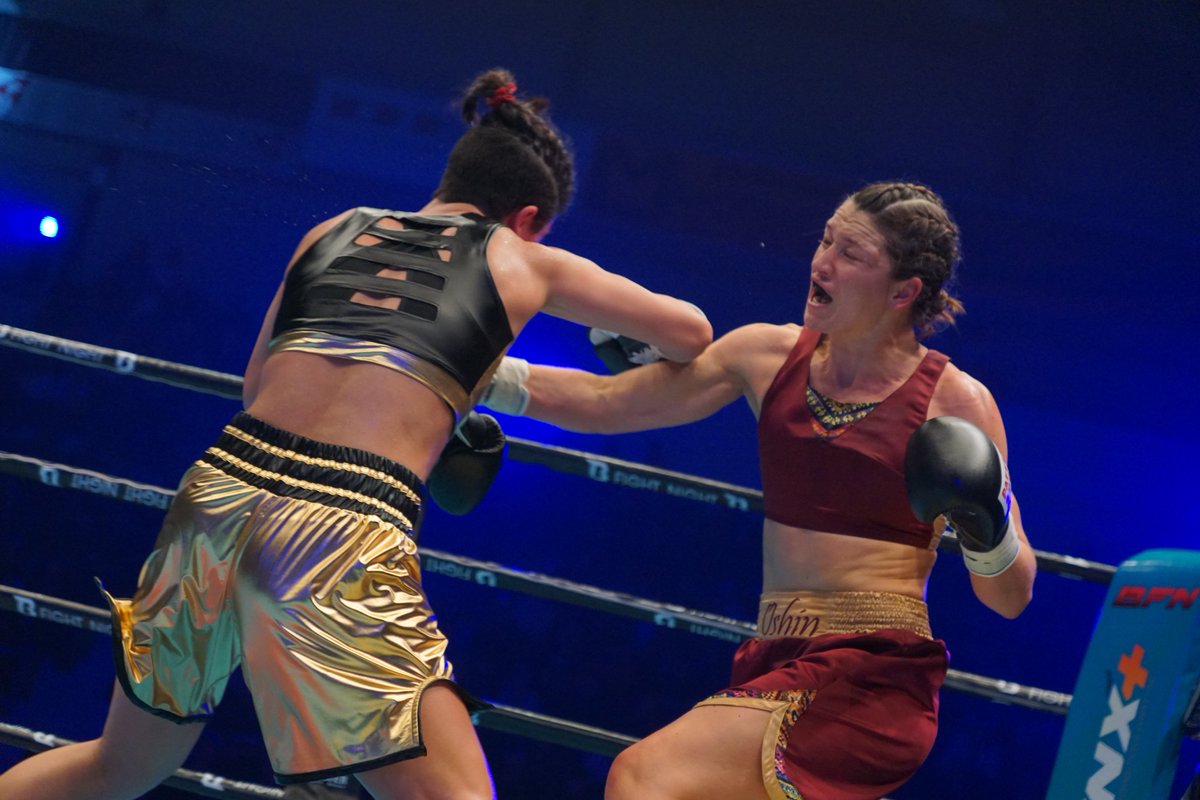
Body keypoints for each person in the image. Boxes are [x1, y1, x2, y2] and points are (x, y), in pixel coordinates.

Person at [0, 68, 711, 800]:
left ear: (450, 179)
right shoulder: (525, 257)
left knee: (119, 766)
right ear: (528, 217)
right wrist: (598, 338)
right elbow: (691, 332)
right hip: (339, 519)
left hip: (218, 492)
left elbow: (257, 385)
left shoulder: (334, 229)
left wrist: (448, 376)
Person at [479, 181, 1037, 800]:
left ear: (903, 292)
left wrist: (987, 521)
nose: (822, 262)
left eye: (851, 253)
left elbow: (1010, 598)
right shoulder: (765, 354)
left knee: (643, 777)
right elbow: (609, 401)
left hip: (872, 676)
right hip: (775, 656)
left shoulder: (955, 401)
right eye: (826, 240)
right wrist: (473, 373)